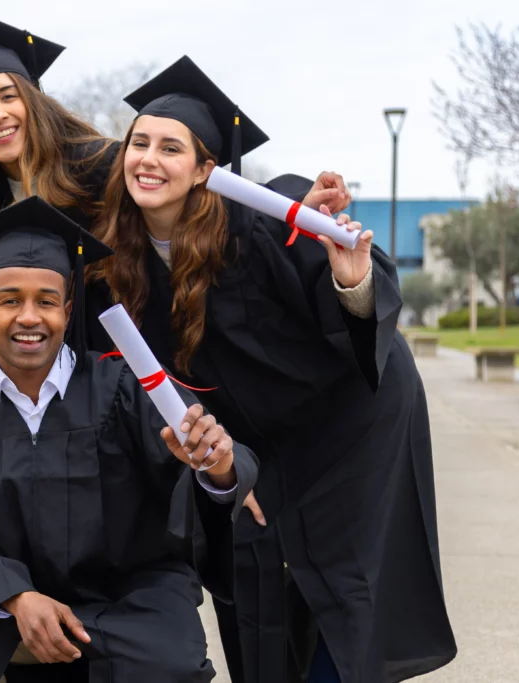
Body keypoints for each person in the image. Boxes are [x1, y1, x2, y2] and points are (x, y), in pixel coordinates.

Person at [87, 56, 457, 682]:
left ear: (207, 168)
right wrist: (230, 467)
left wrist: (352, 280)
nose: (148, 159)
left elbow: (359, 302)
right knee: (255, 574)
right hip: (254, 441)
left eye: (171, 147)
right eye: (139, 143)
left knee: (347, 590)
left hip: (353, 423)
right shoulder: (118, 261)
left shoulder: (269, 213)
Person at [0, 196, 259, 683]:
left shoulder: (128, 387)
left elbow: (209, 456)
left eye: (46, 301)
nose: (29, 317)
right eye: (10, 301)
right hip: (14, 597)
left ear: (68, 312)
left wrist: (217, 468)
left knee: (169, 662)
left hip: (127, 596)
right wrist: (17, 596)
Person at [0, 10, 354, 229]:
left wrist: (294, 205)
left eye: (8, 96)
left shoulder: (95, 163)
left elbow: (199, 190)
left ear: (34, 100)